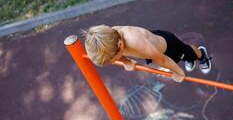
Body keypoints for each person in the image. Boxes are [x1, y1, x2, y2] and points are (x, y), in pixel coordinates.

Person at [83, 25, 211, 82]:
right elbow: (116, 53)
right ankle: (188, 58)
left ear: (120, 46)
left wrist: (178, 73)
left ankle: (201, 55)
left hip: (168, 46)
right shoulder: (111, 37)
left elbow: (163, 60)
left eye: (113, 60)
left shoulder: (134, 41)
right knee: (183, 57)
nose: (113, 62)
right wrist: (126, 61)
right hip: (151, 47)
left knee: (187, 52)